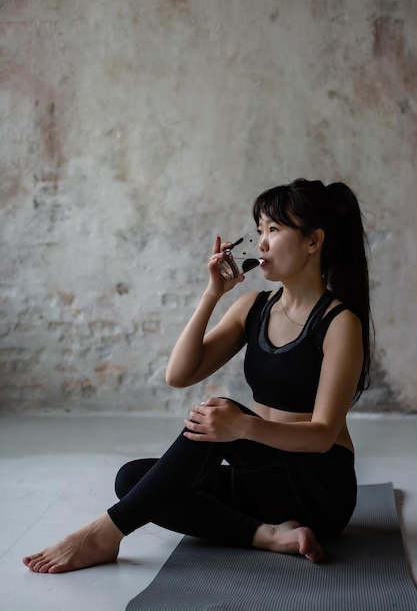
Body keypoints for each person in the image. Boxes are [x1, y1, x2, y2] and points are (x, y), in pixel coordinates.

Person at [23, 178, 372, 573]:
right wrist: (213, 294)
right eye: (259, 230)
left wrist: (241, 426)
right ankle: (271, 535)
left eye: (274, 230)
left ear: (313, 241)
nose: (261, 243)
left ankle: (105, 533)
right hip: (264, 481)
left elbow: (324, 433)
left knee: (217, 415)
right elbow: (179, 374)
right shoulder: (252, 307)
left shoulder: (339, 322)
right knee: (133, 479)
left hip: (319, 491)